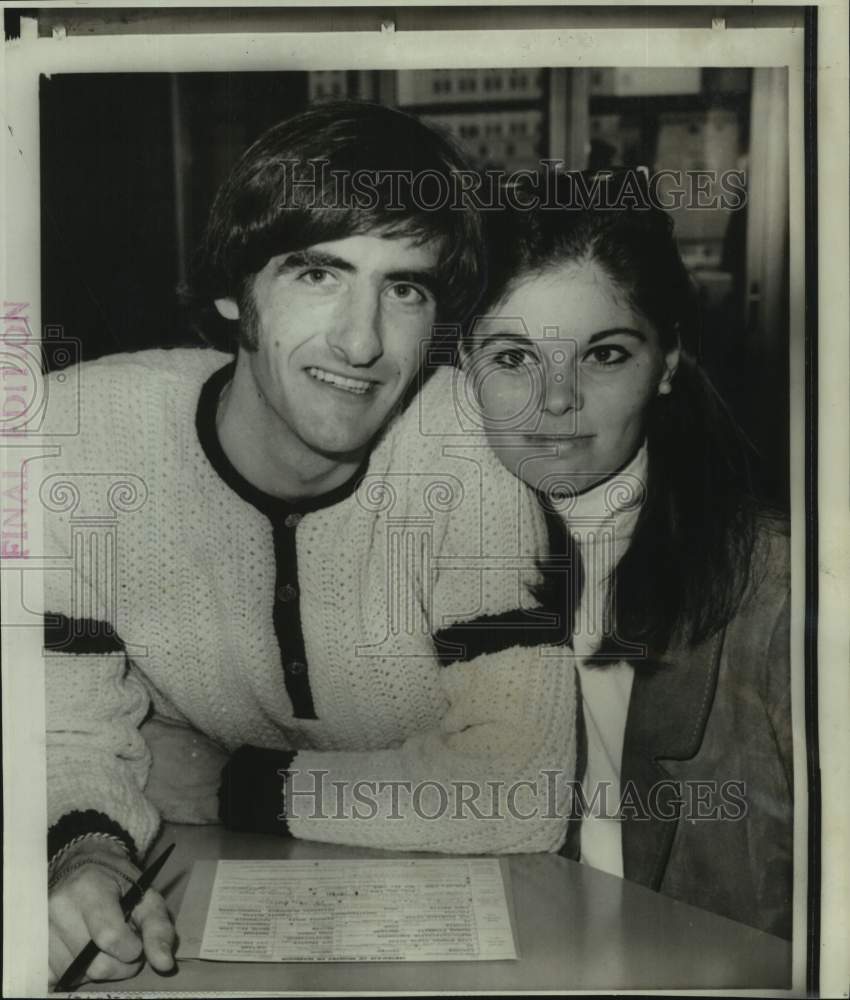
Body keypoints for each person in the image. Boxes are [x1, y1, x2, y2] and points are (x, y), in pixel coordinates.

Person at [41, 102, 579, 987]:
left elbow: (522, 790)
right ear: (234, 291)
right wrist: (86, 855)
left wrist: (229, 783)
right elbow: (59, 732)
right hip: (206, 894)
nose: (361, 342)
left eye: (405, 289)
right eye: (318, 273)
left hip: (473, 928)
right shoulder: (81, 435)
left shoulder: (465, 446)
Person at [453, 174, 792, 939]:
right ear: (464, 367)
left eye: (604, 354)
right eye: (513, 358)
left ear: (668, 361)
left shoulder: (781, 591)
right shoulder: (429, 557)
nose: (557, 400)